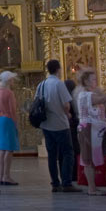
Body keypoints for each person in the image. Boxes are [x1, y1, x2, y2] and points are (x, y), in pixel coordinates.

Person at [36, 59, 80, 193]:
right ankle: (66, 182)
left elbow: (37, 102)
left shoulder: (41, 84)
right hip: (60, 124)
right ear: (58, 69)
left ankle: (55, 183)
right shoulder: (59, 84)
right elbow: (66, 104)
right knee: (67, 153)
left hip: (46, 124)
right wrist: (68, 114)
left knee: (52, 154)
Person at [75, 69, 106, 196]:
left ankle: (93, 186)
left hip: (94, 130)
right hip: (88, 129)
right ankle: (91, 188)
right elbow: (102, 99)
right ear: (86, 81)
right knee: (88, 159)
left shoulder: (90, 94)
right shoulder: (86, 95)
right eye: (93, 79)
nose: (96, 81)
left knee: (93, 158)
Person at [0, 71, 19, 185]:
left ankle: (1, 175)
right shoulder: (9, 93)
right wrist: (15, 124)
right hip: (8, 119)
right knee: (9, 149)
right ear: (9, 81)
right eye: (12, 79)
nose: (13, 81)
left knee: (2, 149)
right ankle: (6, 176)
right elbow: (12, 110)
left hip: (0, 120)